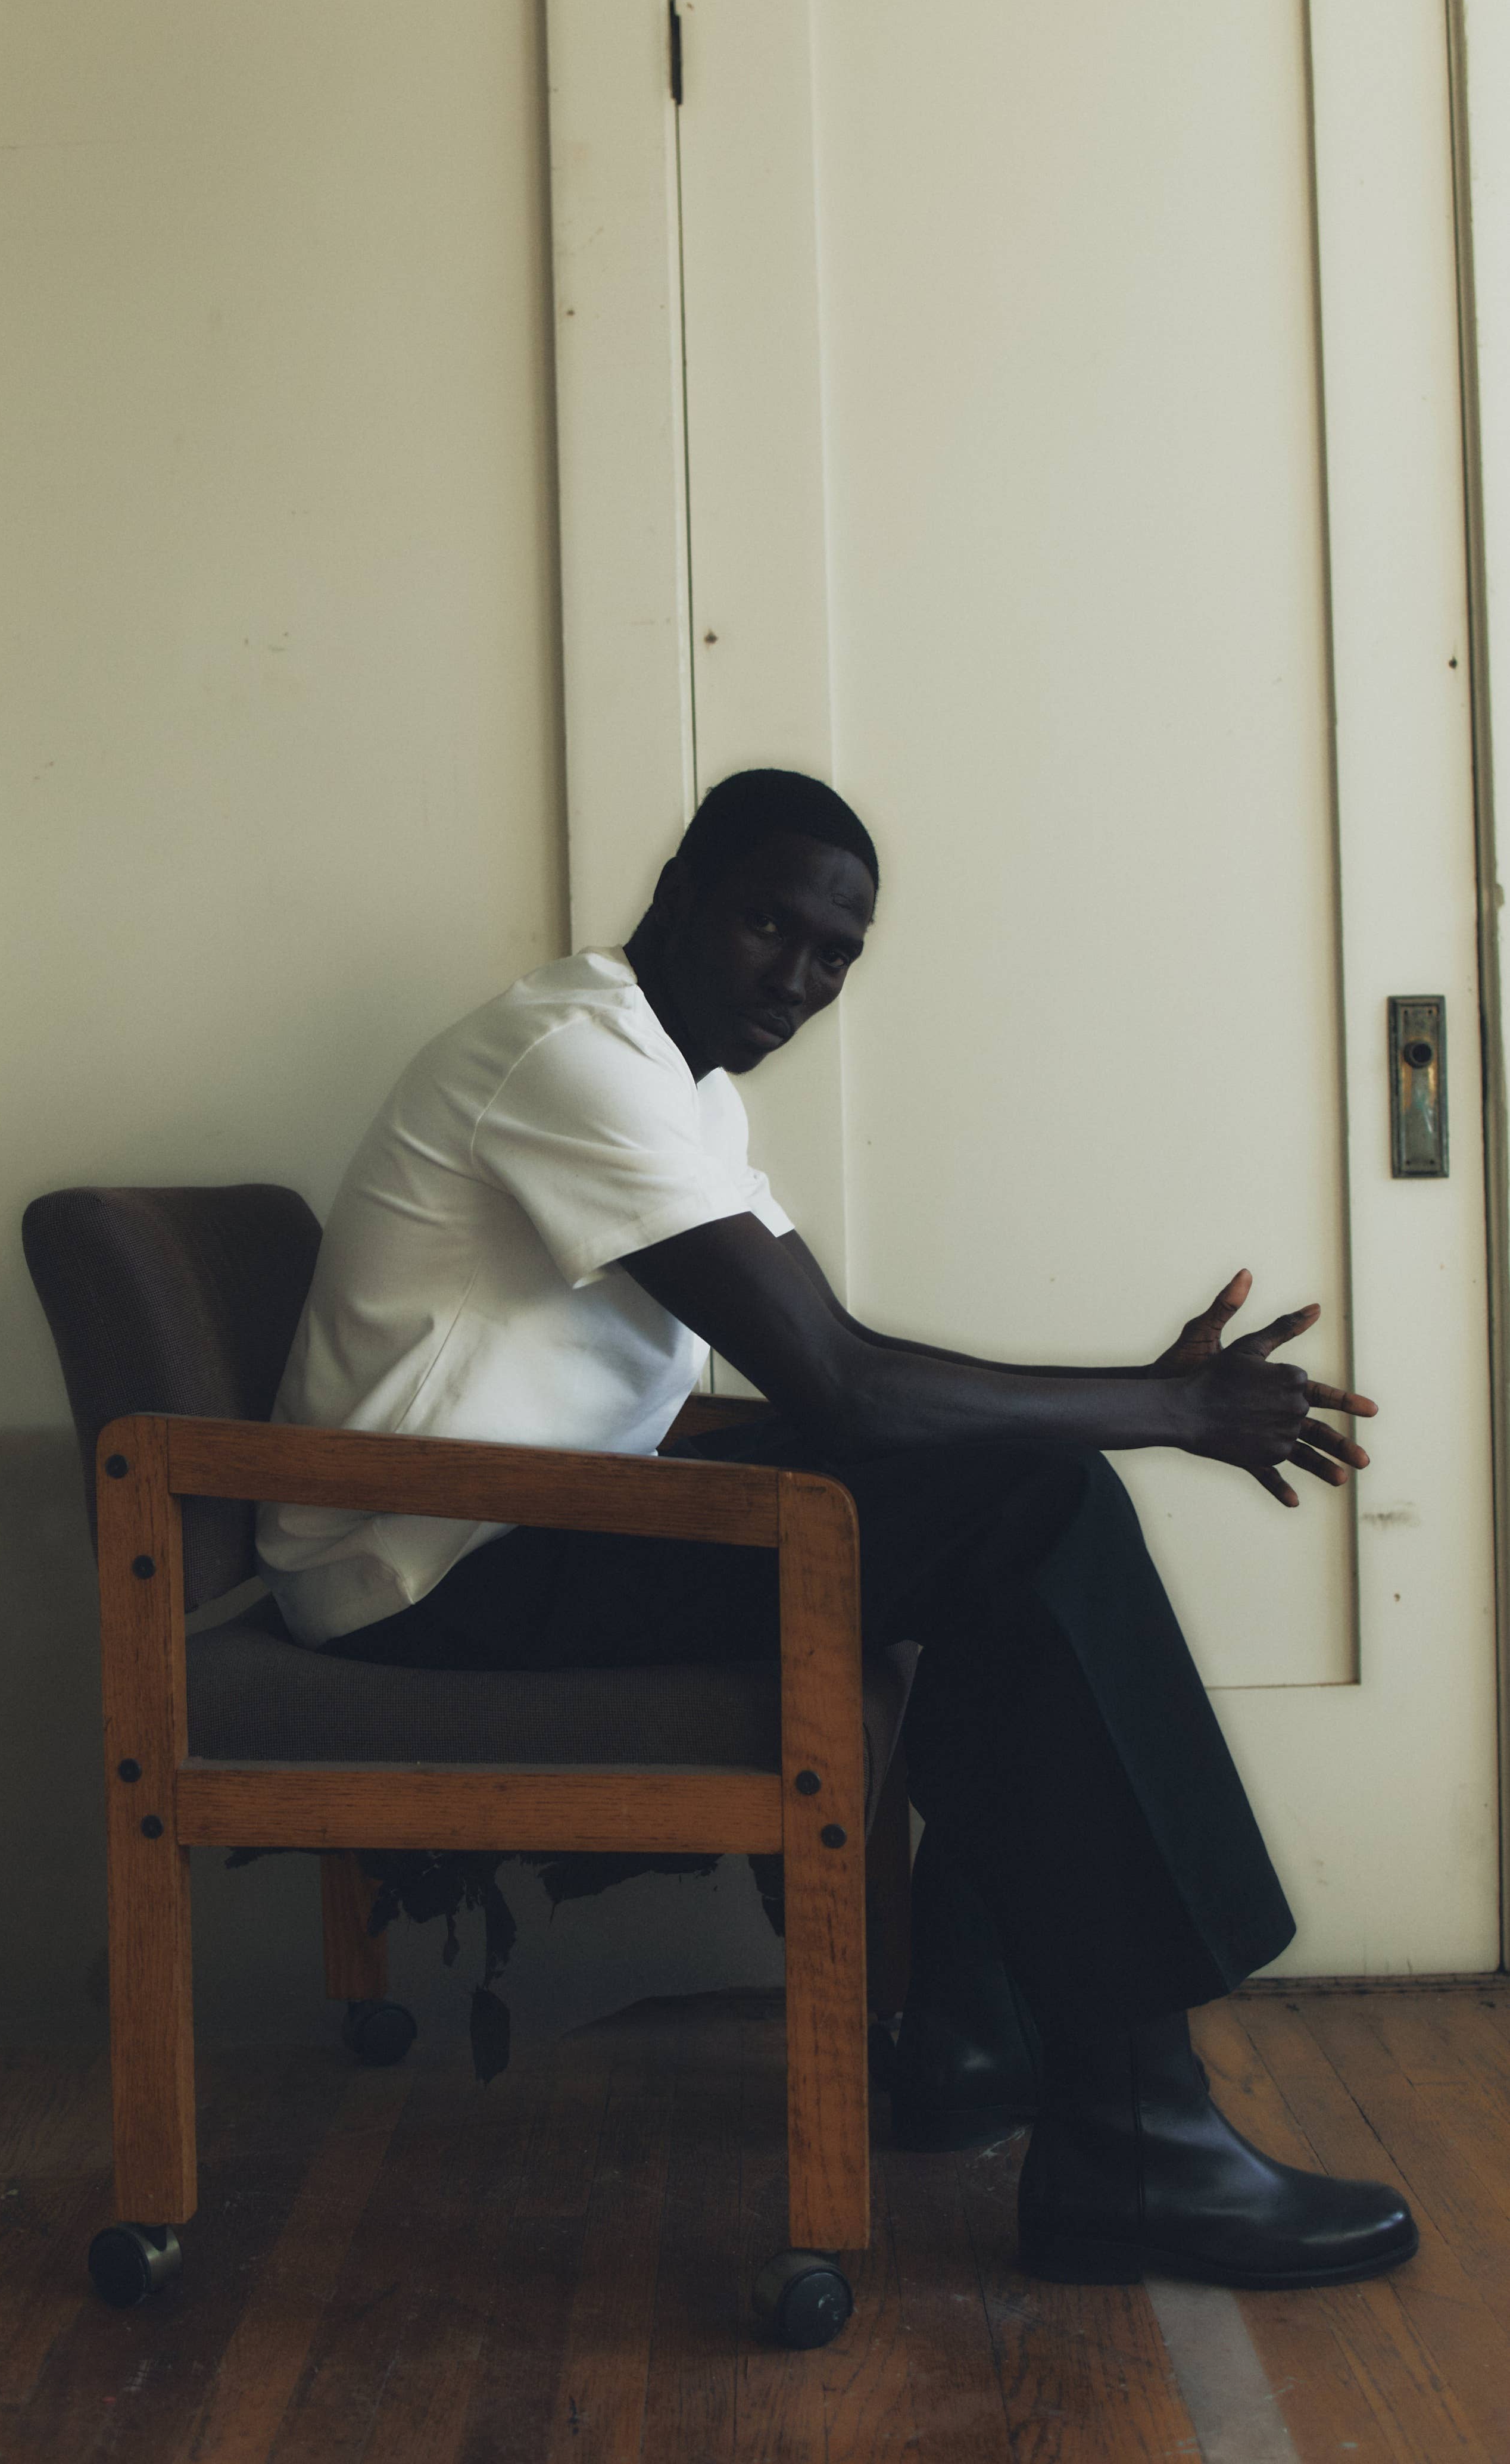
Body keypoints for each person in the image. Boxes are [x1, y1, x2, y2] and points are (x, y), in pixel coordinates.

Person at [258, 767, 1416, 2289]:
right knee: (1032, 1501)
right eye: (768, 925)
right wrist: (1164, 1407)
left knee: (1011, 1494)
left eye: (834, 956)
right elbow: (844, 1382)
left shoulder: (682, 1088)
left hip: (535, 1523)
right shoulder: (570, 1058)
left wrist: (1134, 1405)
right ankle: (1134, 2140)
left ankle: (977, 2030)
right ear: (678, 892)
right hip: (435, 1574)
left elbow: (839, 1363)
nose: (797, 979)